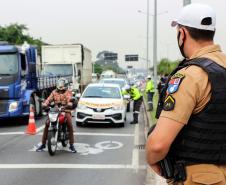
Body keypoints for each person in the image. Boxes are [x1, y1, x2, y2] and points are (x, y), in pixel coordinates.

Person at [146, 3, 226, 184]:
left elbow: (158, 145)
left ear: (182, 34)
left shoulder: (190, 76)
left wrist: (152, 159)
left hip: (198, 178)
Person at [36, 78, 77, 153]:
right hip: (55, 111)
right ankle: (43, 144)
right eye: (60, 84)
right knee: (47, 124)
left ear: (65, 85)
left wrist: (69, 105)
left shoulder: (68, 92)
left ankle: (71, 145)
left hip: (65, 110)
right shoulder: (54, 92)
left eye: (62, 84)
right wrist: (45, 104)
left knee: (70, 124)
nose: (61, 86)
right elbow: (48, 99)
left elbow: (70, 100)